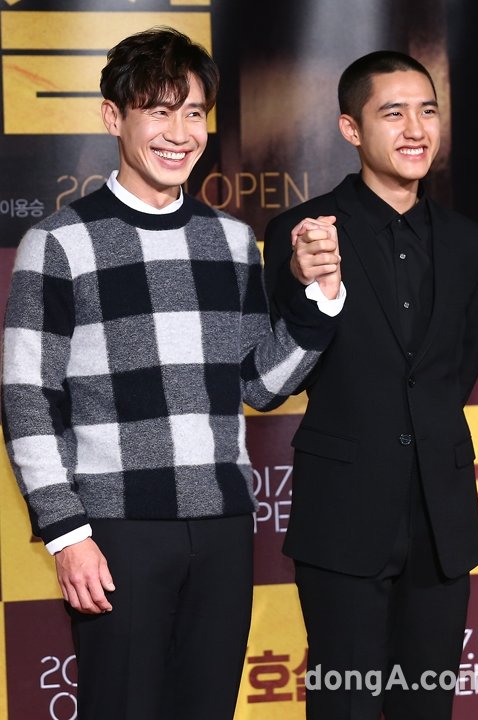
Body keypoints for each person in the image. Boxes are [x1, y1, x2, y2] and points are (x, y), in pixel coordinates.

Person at [0, 26, 344, 720]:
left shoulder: (231, 240)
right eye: (157, 111)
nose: (179, 133)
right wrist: (67, 534)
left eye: (193, 113)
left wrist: (318, 302)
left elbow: (257, 384)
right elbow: (27, 396)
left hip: (222, 524)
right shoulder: (59, 242)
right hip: (117, 526)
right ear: (113, 117)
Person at [263, 50, 478, 719]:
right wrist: (308, 285)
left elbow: (456, 370)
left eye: (427, 111)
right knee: (345, 704)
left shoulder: (471, 243)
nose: (415, 129)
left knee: (426, 706)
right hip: (343, 514)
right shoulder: (304, 233)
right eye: (393, 113)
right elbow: (281, 366)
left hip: (442, 518)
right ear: (350, 128)